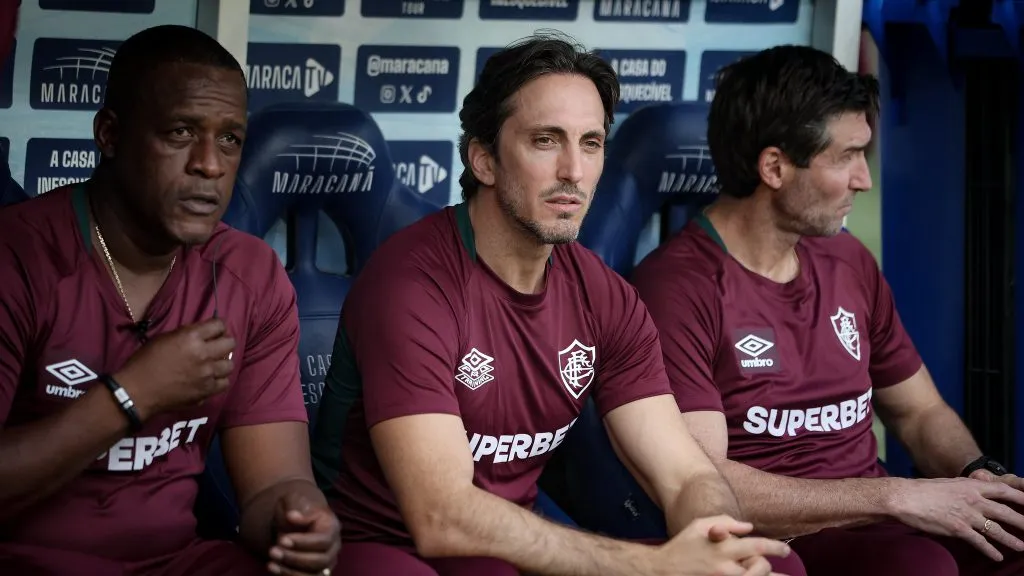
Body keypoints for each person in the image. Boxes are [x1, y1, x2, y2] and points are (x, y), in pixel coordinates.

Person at [310, 32, 795, 576]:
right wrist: (655, 566)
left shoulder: (604, 295)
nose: (574, 171)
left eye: (591, 143)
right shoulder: (412, 285)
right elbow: (441, 515)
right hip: (382, 546)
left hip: (506, 541)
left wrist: (722, 542)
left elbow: (685, 474)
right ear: (484, 159)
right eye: (546, 140)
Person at [631, 44, 1024, 576]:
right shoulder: (676, 288)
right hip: (782, 536)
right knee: (919, 567)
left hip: (881, 520)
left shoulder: (848, 259)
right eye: (846, 157)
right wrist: (892, 496)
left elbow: (918, 411)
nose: (864, 179)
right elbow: (706, 482)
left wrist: (976, 474)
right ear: (774, 167)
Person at [0, 25, 340, 576]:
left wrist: (296, 521)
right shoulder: (18, 256)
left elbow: (275, 483)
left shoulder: (249, 276)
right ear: (109, 134)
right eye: (181, 132)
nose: (209, 164)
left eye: (229, 139)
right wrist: (133, 393)